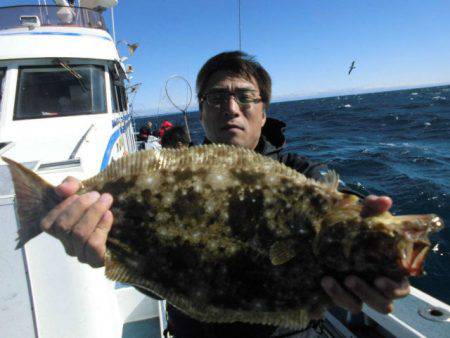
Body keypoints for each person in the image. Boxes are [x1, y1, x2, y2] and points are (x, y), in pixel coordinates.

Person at [39, 51, 410, 337]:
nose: (231, 108)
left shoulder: (303, 177)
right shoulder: (171, 175)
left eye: (245, 97)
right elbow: (159, 284)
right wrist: (104, 249)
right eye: (217, 98)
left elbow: (340, 202)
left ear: (264, 113)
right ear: (201, 112)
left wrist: (379, 253)